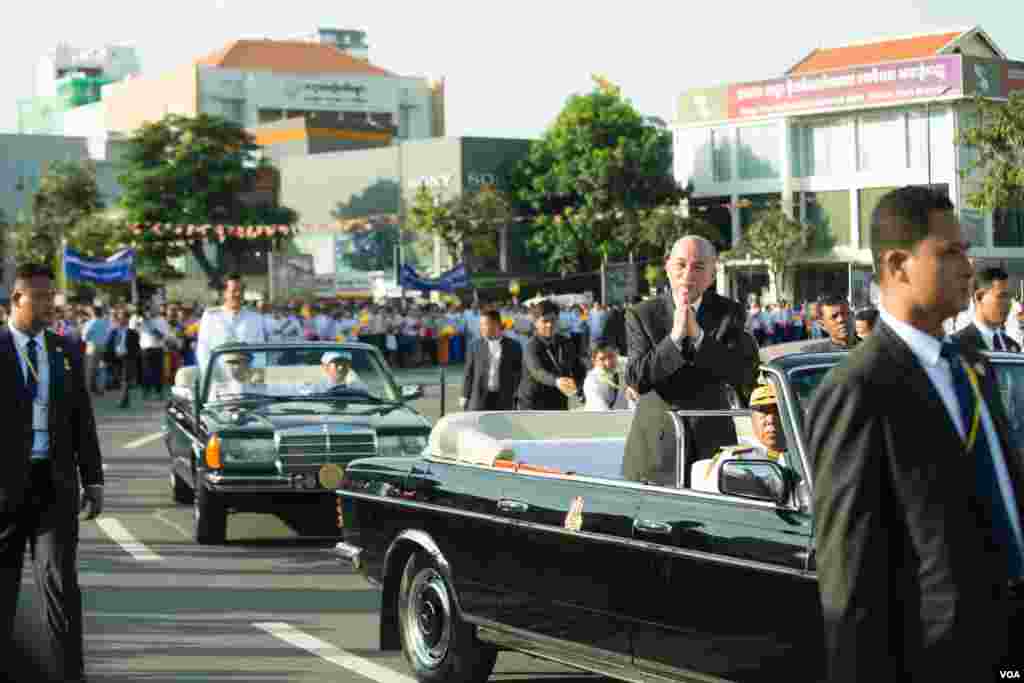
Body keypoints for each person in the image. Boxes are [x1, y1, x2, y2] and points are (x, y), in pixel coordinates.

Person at [807, 186, 1023, 681]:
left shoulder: (970, 364)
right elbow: (851, 587)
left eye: (965, 251)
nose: (968, 268)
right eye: (949, 253)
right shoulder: (859, 388)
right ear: (899, 266)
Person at [0, 263, 103, 683]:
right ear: (16, 300)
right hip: (5, 489)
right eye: (39, 297)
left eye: (51, 297)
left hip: (55, 485)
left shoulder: (65, 350)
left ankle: (68, 673)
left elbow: (82, 418)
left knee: (60, 582)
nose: (48, 305)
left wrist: (92, 477)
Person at [623, 235, 759, 485]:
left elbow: (740, 373)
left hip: (712, 446)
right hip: (654, 448)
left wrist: (698, 337)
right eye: (681, 264)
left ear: (712, 274)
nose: (688, 274)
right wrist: (674, 338)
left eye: (698, 267)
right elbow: (637, 378)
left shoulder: (730, 313)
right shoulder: (642, 314)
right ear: (667, 267)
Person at [691, 381, 790, 493]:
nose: (771, 420)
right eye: (763, 413)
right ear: (752, 419)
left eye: (777, 412)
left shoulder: (805, 450)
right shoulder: (737, 458)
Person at [517, 299, 585, 410]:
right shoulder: (531, 346)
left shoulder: (566, 343)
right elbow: (538, 371)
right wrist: (557, 381)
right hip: (533, 404)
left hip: (559, 400)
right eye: (545, 321)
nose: (550, 325)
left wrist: (580, 387)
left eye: (553, 320)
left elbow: (578, 368)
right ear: (535, 322)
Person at [195, 273, 267, 377]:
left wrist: (256, 375)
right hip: (218, 379)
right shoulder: (211, 316)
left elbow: (260, 352)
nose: (238, 294)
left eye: (241, 291)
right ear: (225, 293)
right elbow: (203, 349)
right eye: (233, 291)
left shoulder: (254, 318)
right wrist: (211, 375)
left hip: (247, 379)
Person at [462, 308, 523, 411]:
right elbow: (469, 372)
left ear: (497, 324)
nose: (481, 328)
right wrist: (464, 395)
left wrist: (518, 395)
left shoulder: (514, 346)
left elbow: (519, 372)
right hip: (479, 398)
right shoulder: (474, 345)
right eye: (480, 324)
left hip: (504, 398)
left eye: (485, 324)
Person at [953, 266, 1021, 353]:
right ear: (979, 297)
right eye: (1001, 296)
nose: (1008, 303)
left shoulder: (1013, 347)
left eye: (1009, 297)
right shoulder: (956, 345)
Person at [109, 309, 141, 409]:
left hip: (128, 358)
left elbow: (136, 347)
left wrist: (132, 356)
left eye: (123, 317)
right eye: (119, 317)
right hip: (116, 358)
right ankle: (126, 401)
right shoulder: (114, 331)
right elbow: (109, 344)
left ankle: (123, 401)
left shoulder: (133, 332)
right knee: (120, 379)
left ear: (127, 319)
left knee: (125, 380)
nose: (120, 319)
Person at [582, 344, 629, 410]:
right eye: (602, 359)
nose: (608, 362)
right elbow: (601, 408)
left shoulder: (627, 366)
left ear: (617, 354)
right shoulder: (591, 380)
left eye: (611, 356)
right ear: (594, 361)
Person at [81, 306, 110, 395]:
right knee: (101, 368)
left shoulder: (90, 323)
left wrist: (86, 339)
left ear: (93, 313)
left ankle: (88, 390)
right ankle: (100, 389)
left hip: (92, 346)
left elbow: (84, 336)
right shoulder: (105, 322)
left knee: (89, 369)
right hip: (103, 346)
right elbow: (108, 334)